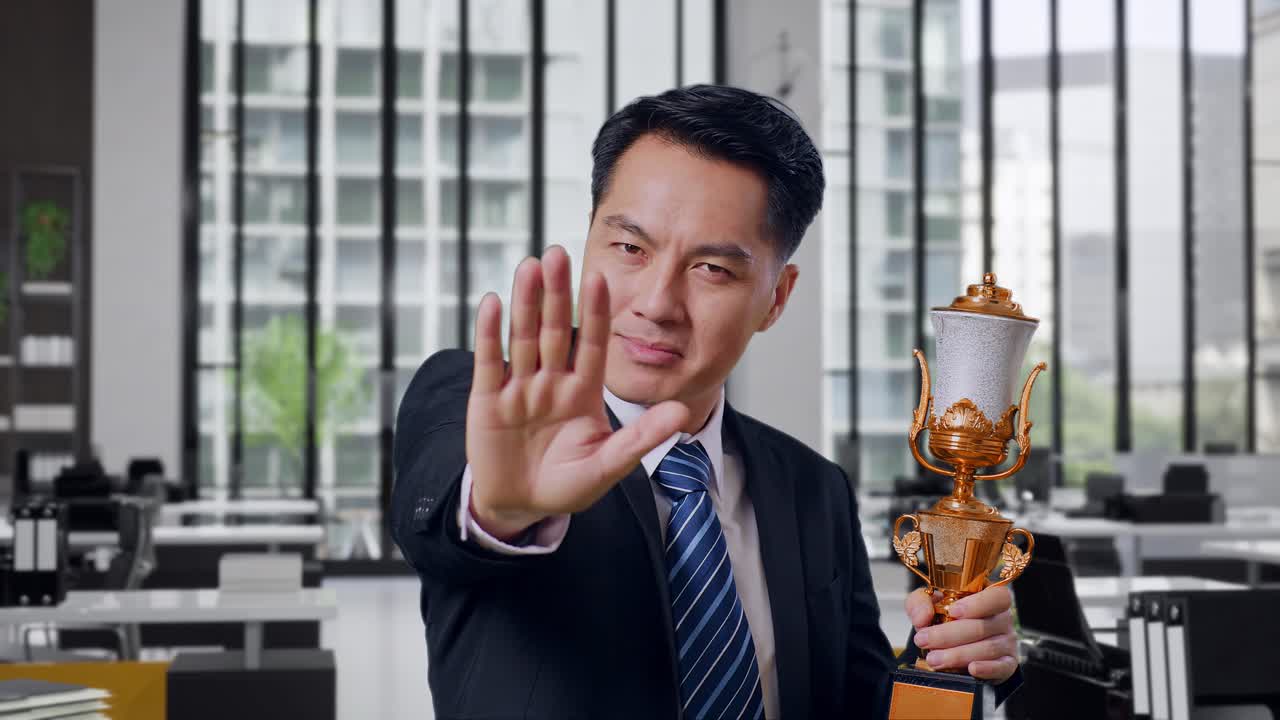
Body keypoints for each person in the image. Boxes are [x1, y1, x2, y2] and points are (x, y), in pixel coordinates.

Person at [391, 85, 1021, 720]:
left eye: (713, 270)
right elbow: (447, 517)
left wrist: (950, 664)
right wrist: (499, 513)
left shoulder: (814, 491)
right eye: (630, 248)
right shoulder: (483, 402)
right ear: (589, 241)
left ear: (776, 298)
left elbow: (855, 705)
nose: (656, 302)